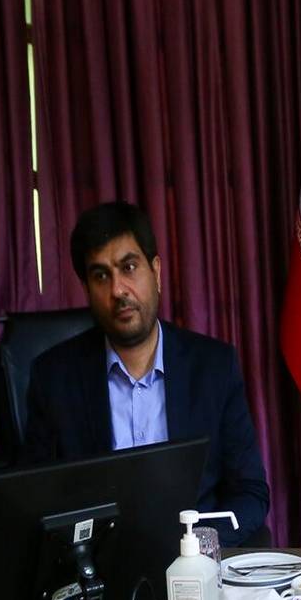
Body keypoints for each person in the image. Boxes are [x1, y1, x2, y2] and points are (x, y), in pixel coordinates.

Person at [24, 202, 269, 546]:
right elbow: (37, 502)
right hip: (101, 564)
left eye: (129, 267)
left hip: (195, 559)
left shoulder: (214, 367)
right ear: (87, 289)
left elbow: (250, 491)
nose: (118, 290)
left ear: (156, 272)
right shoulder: (54, 378)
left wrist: (201, 547)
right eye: (101, 276)